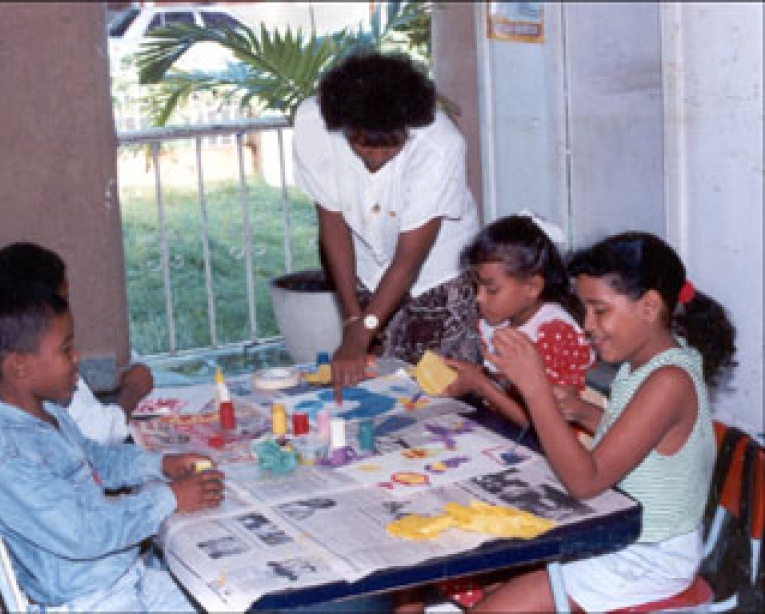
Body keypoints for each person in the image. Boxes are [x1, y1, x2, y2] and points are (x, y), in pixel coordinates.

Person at [469, 232, 736, 612]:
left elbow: (585, 482)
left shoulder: (669, 381)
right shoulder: (644, 364)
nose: (587, 326)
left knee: (492, 609)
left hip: (648, 558)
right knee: (497, 585)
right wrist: (582, 412)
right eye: (584, 311)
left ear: (649, 306)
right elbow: (644, 438)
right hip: (624, 534)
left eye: (599, 310)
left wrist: (536, 391)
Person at [0, 282, 224, 611]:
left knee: (221, 597)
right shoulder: (10, 459)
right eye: (65, 349)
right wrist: (170, 497)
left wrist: (160, 465)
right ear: (20, 367)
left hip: (125, 578)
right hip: (87, 601)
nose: (77, 357)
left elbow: (98, 461)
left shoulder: (48, 413)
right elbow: (86, 533)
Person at [293, 52, 481, 403]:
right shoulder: (313, 126)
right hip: (368, 264)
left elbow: (410, 257)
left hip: (436, 274)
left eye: (390, 146)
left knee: (438, 397)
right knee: (376, 392)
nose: (376, 158)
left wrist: (360, 333)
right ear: (343, 127)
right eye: (363, 144)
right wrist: (353, 320)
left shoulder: (439, 146)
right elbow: (332, 224)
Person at [0, 241, 152, 447]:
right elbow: (100, 435)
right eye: (61, 302)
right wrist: (133, 390)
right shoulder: (37, 403)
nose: (76, 357)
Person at [435, 214, 594, 427]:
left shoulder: (555, 332)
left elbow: (548, 427)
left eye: (492, 289)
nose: (479, 298)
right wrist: (473, 374)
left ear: (532, 287)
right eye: (477, 288)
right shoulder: (500, 320)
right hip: (504, 424)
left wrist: (481, 385)